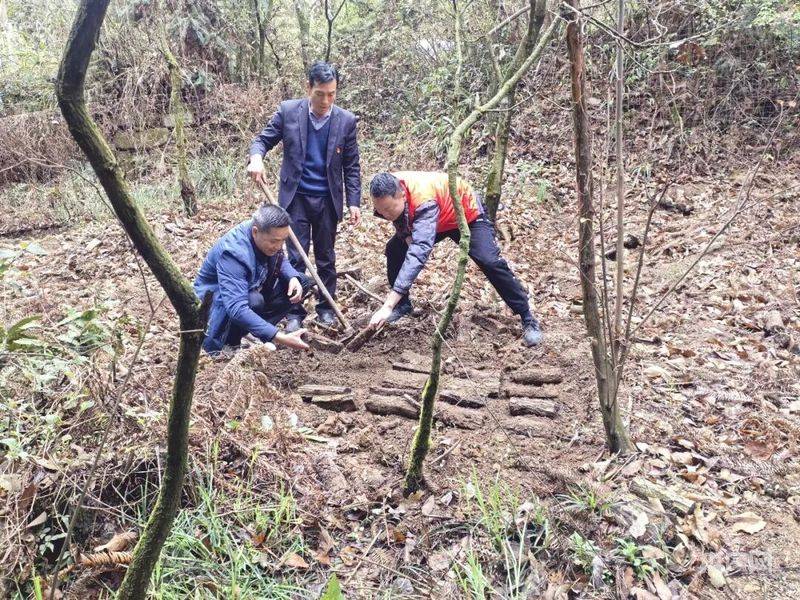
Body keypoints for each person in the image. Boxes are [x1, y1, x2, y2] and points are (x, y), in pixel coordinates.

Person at [247, 60, 361, 331]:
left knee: (326, 257)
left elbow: (352, 165)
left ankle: (326, 309)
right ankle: (294, 312)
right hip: (295, 198)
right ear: (308, 88)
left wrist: (354, 202)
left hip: (327, 200)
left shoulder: (346, 121)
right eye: (320, 94)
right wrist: (256, 158)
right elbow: (262, 140)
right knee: (295, 257)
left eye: (332, 94)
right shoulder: (288, 112)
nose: (326, 101)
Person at [368, 171, 543, 347]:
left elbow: (419, 250)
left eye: (388, 209)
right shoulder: (387, 186)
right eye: (381, 211)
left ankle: (527, 316)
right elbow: (401, 219)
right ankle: (403, 305)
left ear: (402, 195)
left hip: (467, 216)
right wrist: (405, 235)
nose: (385, 215)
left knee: (489, 261)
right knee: (394, 250)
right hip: (438, 220)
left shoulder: (424, 199)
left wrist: (387, 305)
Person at [194, 204, 311, 355]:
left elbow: (279, 257)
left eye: (283, 241)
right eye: (275, 241)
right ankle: (230, 343)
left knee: (301, 282)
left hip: (252, 286)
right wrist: (279, 337)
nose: (279, 246)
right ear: (255, 232)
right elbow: (236, 307)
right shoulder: (234, 253)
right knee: (254, 300)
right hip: (218, 303)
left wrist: (292, 277)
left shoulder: (267, 235)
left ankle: (254, 332)